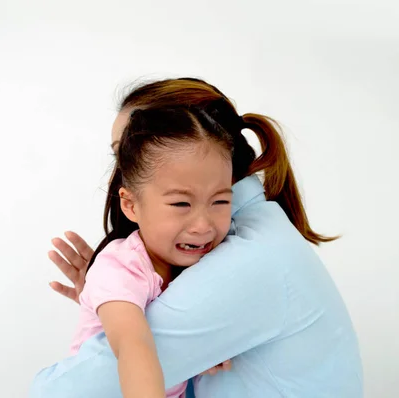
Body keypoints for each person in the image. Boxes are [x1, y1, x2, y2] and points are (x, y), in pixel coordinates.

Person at [31, 78, 363, 397]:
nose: (126, 168)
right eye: (122, 155)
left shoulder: (246, 259)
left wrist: (126, 318)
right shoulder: (253, 234)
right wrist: (113, 302)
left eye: (129, 151)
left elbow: (64, 391)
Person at [70, 106, 239, 398]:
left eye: (220, 202)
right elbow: (132, 345)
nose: (203, 225)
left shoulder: (208, 266)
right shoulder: (119, 267)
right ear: (131, 205)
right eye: (181, 205)